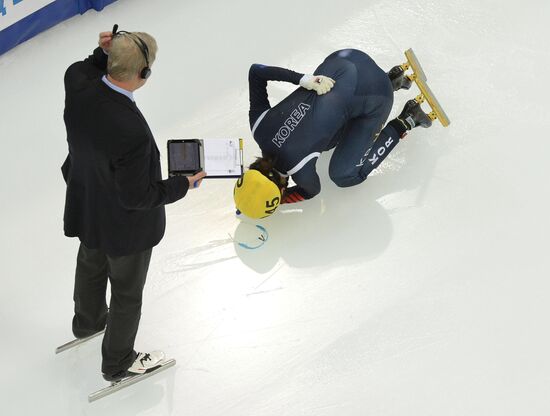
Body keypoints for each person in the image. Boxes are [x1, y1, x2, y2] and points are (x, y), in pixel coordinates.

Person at [61, 28, 206, 381]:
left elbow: (86, 67)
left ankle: (88, 323)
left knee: (91, 263)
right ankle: (117, 362)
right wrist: (182, 184)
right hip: (124, 227)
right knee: (127, 292)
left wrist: (102, 54)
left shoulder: (76, 81)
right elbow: (138, 196)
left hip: (87, 203)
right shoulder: (132, 134)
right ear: (143, 75)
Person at [233, 48, 432, 219]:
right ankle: (391, 79)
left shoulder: (301, 171)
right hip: (345, 57)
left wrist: (277, 201)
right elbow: (256, 72)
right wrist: (303, 79)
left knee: (343, 175)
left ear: (282, 190)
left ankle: (408, 119)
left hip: (377, 94)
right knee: (326, 138)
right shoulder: (259, 126)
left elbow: (311, 192)